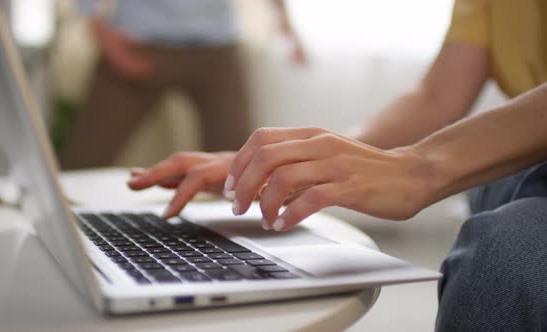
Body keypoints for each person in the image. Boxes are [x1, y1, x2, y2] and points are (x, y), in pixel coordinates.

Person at [127, 0, 547, 330]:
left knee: (506, 255)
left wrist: (418, 167)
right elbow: (437, 96)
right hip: (517, 165)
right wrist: (304, 158)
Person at [59, 0, 307, 169]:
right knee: (84, 160)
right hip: (137, 47)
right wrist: (102, 34)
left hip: (217, 51)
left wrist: (287, 26)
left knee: (240, 166)